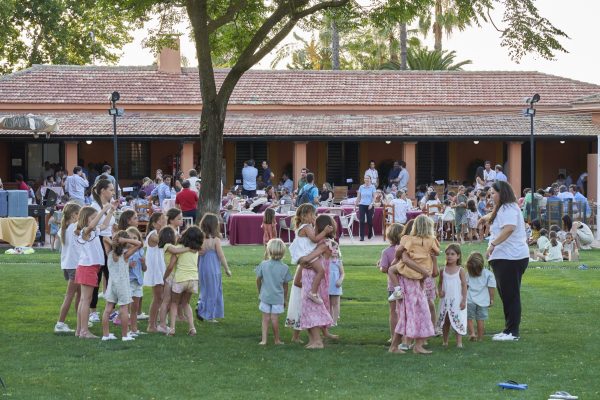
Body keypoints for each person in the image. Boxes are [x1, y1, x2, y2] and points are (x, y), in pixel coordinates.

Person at [484, 180, 529, 341]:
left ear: (502, 193)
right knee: (506, 294)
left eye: (493, 193)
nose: (491, 195)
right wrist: (485, 217)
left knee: (511, 295)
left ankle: (512, 332)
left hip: (510, 257)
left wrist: (493, 245)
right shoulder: (504, 207)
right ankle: (508, 329)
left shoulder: (509, 207)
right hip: (505, 257)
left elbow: (509, 228)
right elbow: (499, 219)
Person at [388, 215, 439, 354]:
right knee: (408, 314)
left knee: (423, 312)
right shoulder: (408, 240)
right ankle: (394, 347)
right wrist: (423, 271)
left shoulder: (428, 242)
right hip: (408, 282)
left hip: (417, 282)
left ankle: (418, 345)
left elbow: (436, 253)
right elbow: (403, 258)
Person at [74, 202, 117, 339]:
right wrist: (104, 208)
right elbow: (92, 225)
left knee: (83, 300)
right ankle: (84, 331)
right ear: (86, 219)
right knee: (86, 300)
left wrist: (111, 211)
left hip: (88, 267)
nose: (95, 220)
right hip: (88, 268)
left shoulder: (92, 232)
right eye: (92, 217)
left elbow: (104, 225)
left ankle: (80, 330)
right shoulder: (85, 231)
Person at [297, 215, 337, 349]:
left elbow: (309, 258)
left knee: (312, 307)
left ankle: (318, 341)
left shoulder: (324, 243)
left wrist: (301, 259)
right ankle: (312, 340)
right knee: (306, 307)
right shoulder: (318, 242)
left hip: (314, 278)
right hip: (310, 276)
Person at [101, 230, 142, 341]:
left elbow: (105, 238)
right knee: (124, 309)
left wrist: (114, 242)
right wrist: (125, 240)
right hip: (123, 285)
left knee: (108, 308)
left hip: (111, 284)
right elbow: (139, 243)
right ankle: (125, 335)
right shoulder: (125, 254)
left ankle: (106, 335)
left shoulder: (109, 252)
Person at [289, 204, 333, 305]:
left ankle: (310, 290)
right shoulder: (307, 227)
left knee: (317, 272)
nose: (315, 217)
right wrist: (325, 232)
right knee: (321, 271)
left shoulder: (305, 227)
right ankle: (313, 293)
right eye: (313, 215)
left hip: (305, 254)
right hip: (307, 254)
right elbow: (314, 239)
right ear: (305, 216)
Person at [164, 226, 203, 336]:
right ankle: (192, 328)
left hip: (180, 279)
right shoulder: (195, 250)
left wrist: (165, 277)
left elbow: (171, 265)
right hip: (193, 279)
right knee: (186, 303)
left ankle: (172, 329)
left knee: (174, 303)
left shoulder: (179, 248)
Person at [89, 179, 117, 325]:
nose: (113, 192)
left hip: (109, 240)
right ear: (102, 191)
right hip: (99, 241)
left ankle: (111, 310)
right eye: (111, 190)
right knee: (97, 276)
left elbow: (108, 225)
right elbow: (98, 227)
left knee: (110, 275)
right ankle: (92, 311)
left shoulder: (108, 205)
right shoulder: (94, 206)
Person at [255, 238, 292, 345]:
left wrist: (260, 292)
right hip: (278, 298)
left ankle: (264, 340)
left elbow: (258, 279)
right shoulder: (284, 268)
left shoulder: (263, 264)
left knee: (265, 319)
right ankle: (277, 340)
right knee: (274, 319)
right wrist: (285, 299)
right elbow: (285, 285)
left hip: (265, 296)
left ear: (269, 250)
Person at [197, 213, 232, 322]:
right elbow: (221, 255)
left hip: (203, 267)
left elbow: (200, 252)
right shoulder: (215, 239)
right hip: (213, 267)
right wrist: (227, 269)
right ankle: (209, 315)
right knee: (213, 290)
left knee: (205, 289)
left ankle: (202, 309)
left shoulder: (201, 238)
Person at [54, 202, 82, 334]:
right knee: (70, 295)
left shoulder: (63, 229)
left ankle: (81, 319)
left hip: (68, 265)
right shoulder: (75, 227)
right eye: (80, 214)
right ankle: (60, 324)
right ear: (74, 215)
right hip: (74, 266)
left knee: (80, 294)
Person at [157, 226, 189, 333]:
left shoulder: (169, 246)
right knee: (166, 300)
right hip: (169, 276)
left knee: (170, 301)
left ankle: (163, 321)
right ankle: (162, 324)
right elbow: (175, 251)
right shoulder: (167, 246)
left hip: (172, 276)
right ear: (170, 236)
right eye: (175, 234)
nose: (177, 236)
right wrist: (189, 248)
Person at [437, 244, 467, 348]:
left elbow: (464, 286)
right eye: (447, 254)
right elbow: (440, 283)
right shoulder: (442, 270)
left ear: (458, 256)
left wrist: (464, 300)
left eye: (452, 254)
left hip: (457, 299)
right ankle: (445, 341)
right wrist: (439, 292)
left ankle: (459, 342)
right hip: (445, 300)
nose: (449, 256)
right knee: (446, 320)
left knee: (458, 319)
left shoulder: (461, 270)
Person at [378, 223, 404, 342]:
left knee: (393, 311)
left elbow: (384, 269)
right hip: (406, 285)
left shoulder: (386, 251)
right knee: (405, 311)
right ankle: (405, 335)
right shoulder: (406, 250)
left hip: (393, 287)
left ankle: (394, 336)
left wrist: (379, 265)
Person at [143, 212, 167, 333]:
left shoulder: (160, 233)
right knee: (158, 297)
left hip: (160, 266)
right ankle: (151, 325)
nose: (164, 220)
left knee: (161, 297)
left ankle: (158, 322)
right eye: (161, 219)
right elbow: (163, 242)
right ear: (154, 223)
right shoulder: (153, 235)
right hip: (155, 269)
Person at [465, 252, 496, 342]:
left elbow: (465, 287)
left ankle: (472, 333)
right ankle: (480, 337)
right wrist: (492, 299)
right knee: (480, 319)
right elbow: (491, 288)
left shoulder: (468, 274)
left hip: (469, 300)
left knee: (469, 318)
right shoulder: (488, 274)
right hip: (483, 301)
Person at [125, 227, 146, 336]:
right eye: (129, 238)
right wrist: (128, 265)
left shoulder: (141, 251)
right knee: (127, 307)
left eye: (135, 238)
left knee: (135, 307)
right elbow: (119, 266)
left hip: (138, 282)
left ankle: (134, 329)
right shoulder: (125, 252)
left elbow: (144, 269)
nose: (132, 240)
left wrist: (143, 263)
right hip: (128, 281)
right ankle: (127, 329)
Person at [327, 234, 344, 326]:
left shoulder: (338, 262)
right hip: (327, 285)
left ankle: (334, 321)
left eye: (337, 248)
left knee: (335, 303)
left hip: (336, 285)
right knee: (328, 303)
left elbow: (342, 273)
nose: (335, 250)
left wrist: (340, 280)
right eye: (333, 248)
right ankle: (329, 319)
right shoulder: (325, 261)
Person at [355, 175, 376, 241]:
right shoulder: (361, 187)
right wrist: (356, 203)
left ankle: (370, 233)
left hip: (370, 205)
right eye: (365, 178)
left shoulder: (372, 187)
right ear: (364, 179)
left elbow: (374, 197)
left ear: (370, 179)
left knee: (369, 221)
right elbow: (359, 196)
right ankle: (362, 236)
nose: (366, 179)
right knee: (362, 220)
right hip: (362, 204)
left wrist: (371, 204)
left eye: (368, 178)